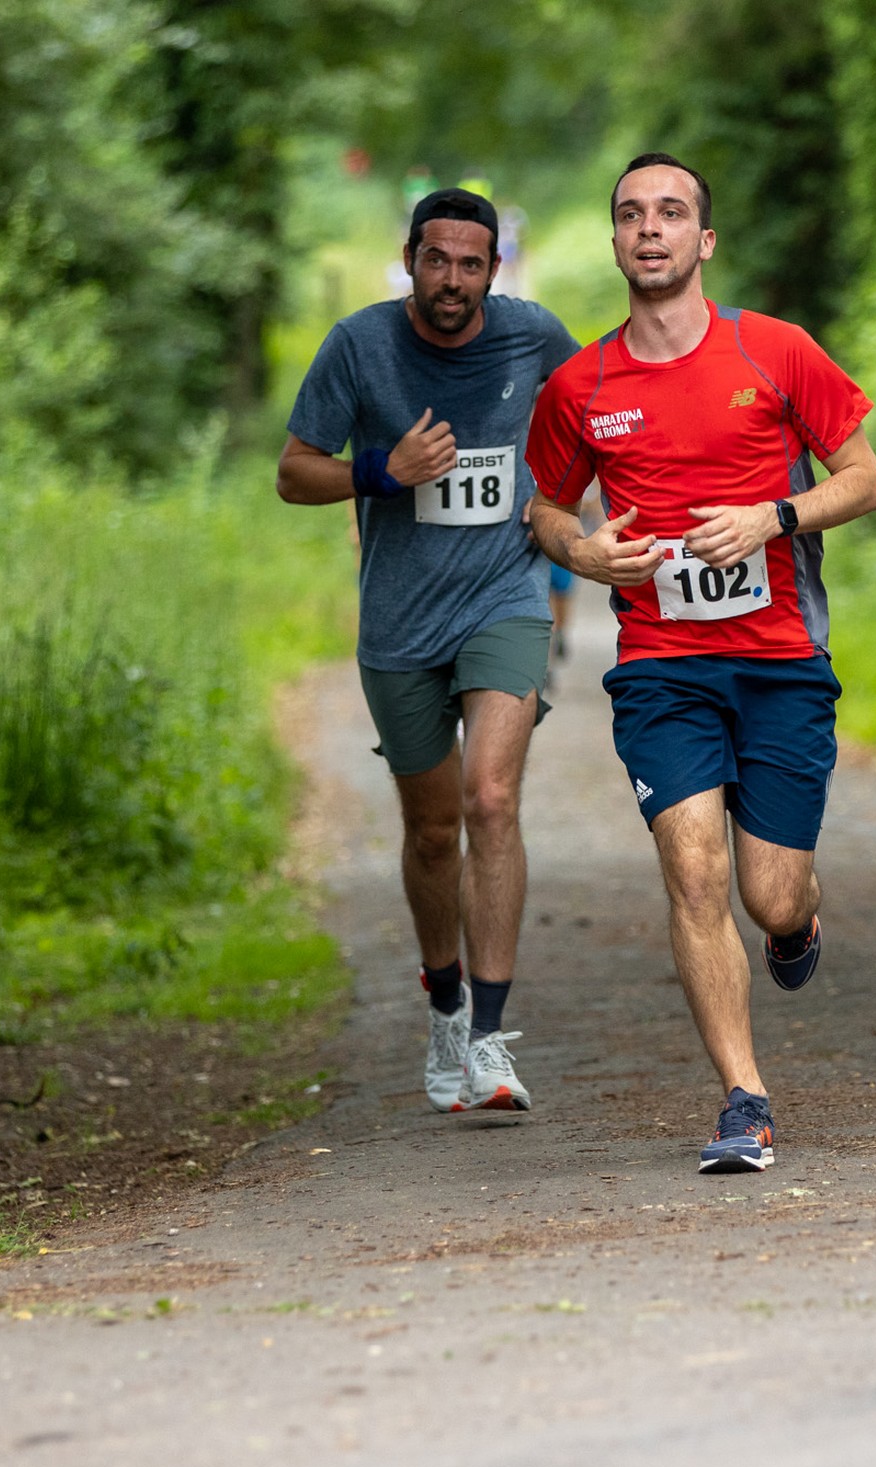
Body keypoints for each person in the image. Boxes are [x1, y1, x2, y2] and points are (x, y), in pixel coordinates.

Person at [523, 153, 876, 1173]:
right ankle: (744, 1099)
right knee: (692, 871)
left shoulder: (775, 351)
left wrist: (775, 516)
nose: (651, 228)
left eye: (671, 212)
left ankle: (796, 920)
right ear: (615, 241)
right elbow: (545, 507)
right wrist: (583, 552)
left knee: (770, 895)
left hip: (780, 660)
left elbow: (866, 479)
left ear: (704, 240)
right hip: (662, 666)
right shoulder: (581, 385)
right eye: (632, 214)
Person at [279, 188, 581, 1115]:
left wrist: (557, 501)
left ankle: (489, 1037)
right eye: (437, 259)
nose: (453, 279)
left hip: (505, 600)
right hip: (401, 622)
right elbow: (294, 473)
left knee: (491, 798)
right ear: (411, 258)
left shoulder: (532, 336)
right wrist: (382, 471)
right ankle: (444, 1004)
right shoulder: (359, 345)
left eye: (471, 264)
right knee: (434, 829)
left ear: (495, 269)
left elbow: (599, 413)